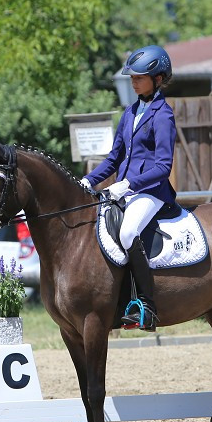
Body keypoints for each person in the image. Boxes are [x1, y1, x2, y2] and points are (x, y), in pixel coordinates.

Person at [79, 45, 177, 331]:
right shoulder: (130, 112)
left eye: (139, 78)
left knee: (128, 231)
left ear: (158, 79)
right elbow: (113, 158)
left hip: (151, 192)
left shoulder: (163, 115)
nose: (133, 82)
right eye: (131, 78)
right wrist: (88, 181)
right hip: (125, 190)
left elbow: (163, 167)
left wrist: (128, 185)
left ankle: (145, 304)